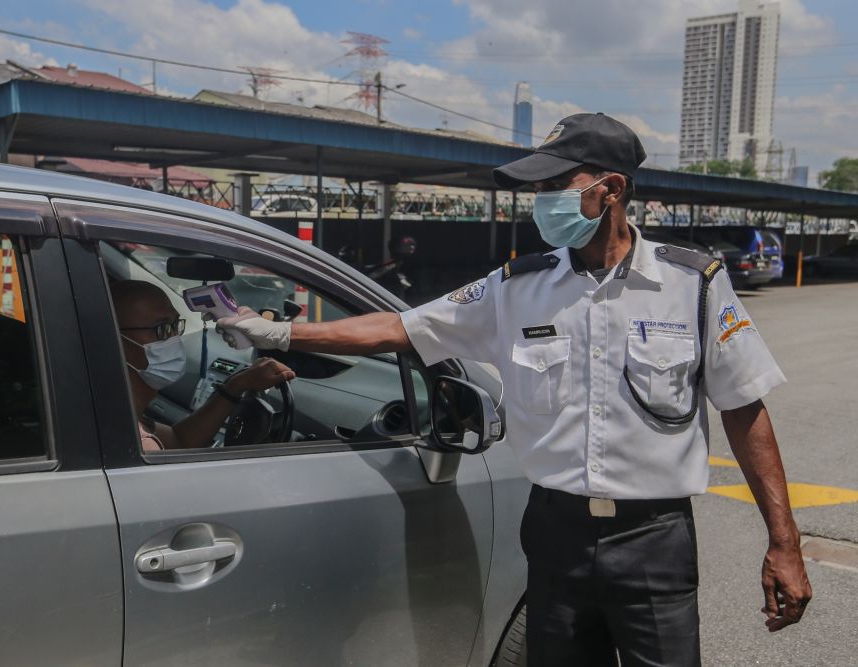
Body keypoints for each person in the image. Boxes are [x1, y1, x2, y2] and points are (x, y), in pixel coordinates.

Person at [216, 113, 812, 665]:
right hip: (556, 534)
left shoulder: (695, 285)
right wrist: (280, 332)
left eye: (557, 184)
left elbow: (744, 409)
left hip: (654, 539)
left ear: (612, 189)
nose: (542, 201)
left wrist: (784, 543)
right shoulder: (515, 288)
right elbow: (400, 328)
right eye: (538, 188)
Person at [111, 280, 295, 451]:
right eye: (162, 329)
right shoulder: (133, 443)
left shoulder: (120, 412)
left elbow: (178, 441)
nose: (174, 338)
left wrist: (236, 386)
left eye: (176, 325)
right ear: (115, 339)